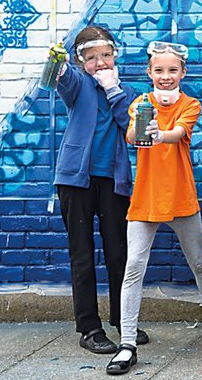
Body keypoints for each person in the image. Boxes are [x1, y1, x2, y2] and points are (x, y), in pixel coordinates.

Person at [107, 41, 202, 375]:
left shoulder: (190, 104)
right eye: (158, 70)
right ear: (149, 72)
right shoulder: (140, 103)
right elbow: (132, 135)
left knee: (200, 263)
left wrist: (160, 133)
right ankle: (127, 343)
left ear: (182, 72)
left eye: (172, 70)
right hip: (145, 198)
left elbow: (179, 133)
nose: (165, 76)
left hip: (180, 195)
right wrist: (143, 128)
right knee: (134, 269)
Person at [52, 26, 139, 355]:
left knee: (119, 254)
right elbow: (58, 79)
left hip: (113, 180)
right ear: (80, 61)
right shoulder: (78, 85)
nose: (99, 63)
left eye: (105, 56)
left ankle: (123, 323)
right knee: (83, 255)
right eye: (91, 58)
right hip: (76, 179)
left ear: (115, 55)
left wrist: (113, 88)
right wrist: (56, 62)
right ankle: (89, 327)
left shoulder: (125, 91)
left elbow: (128, 123)